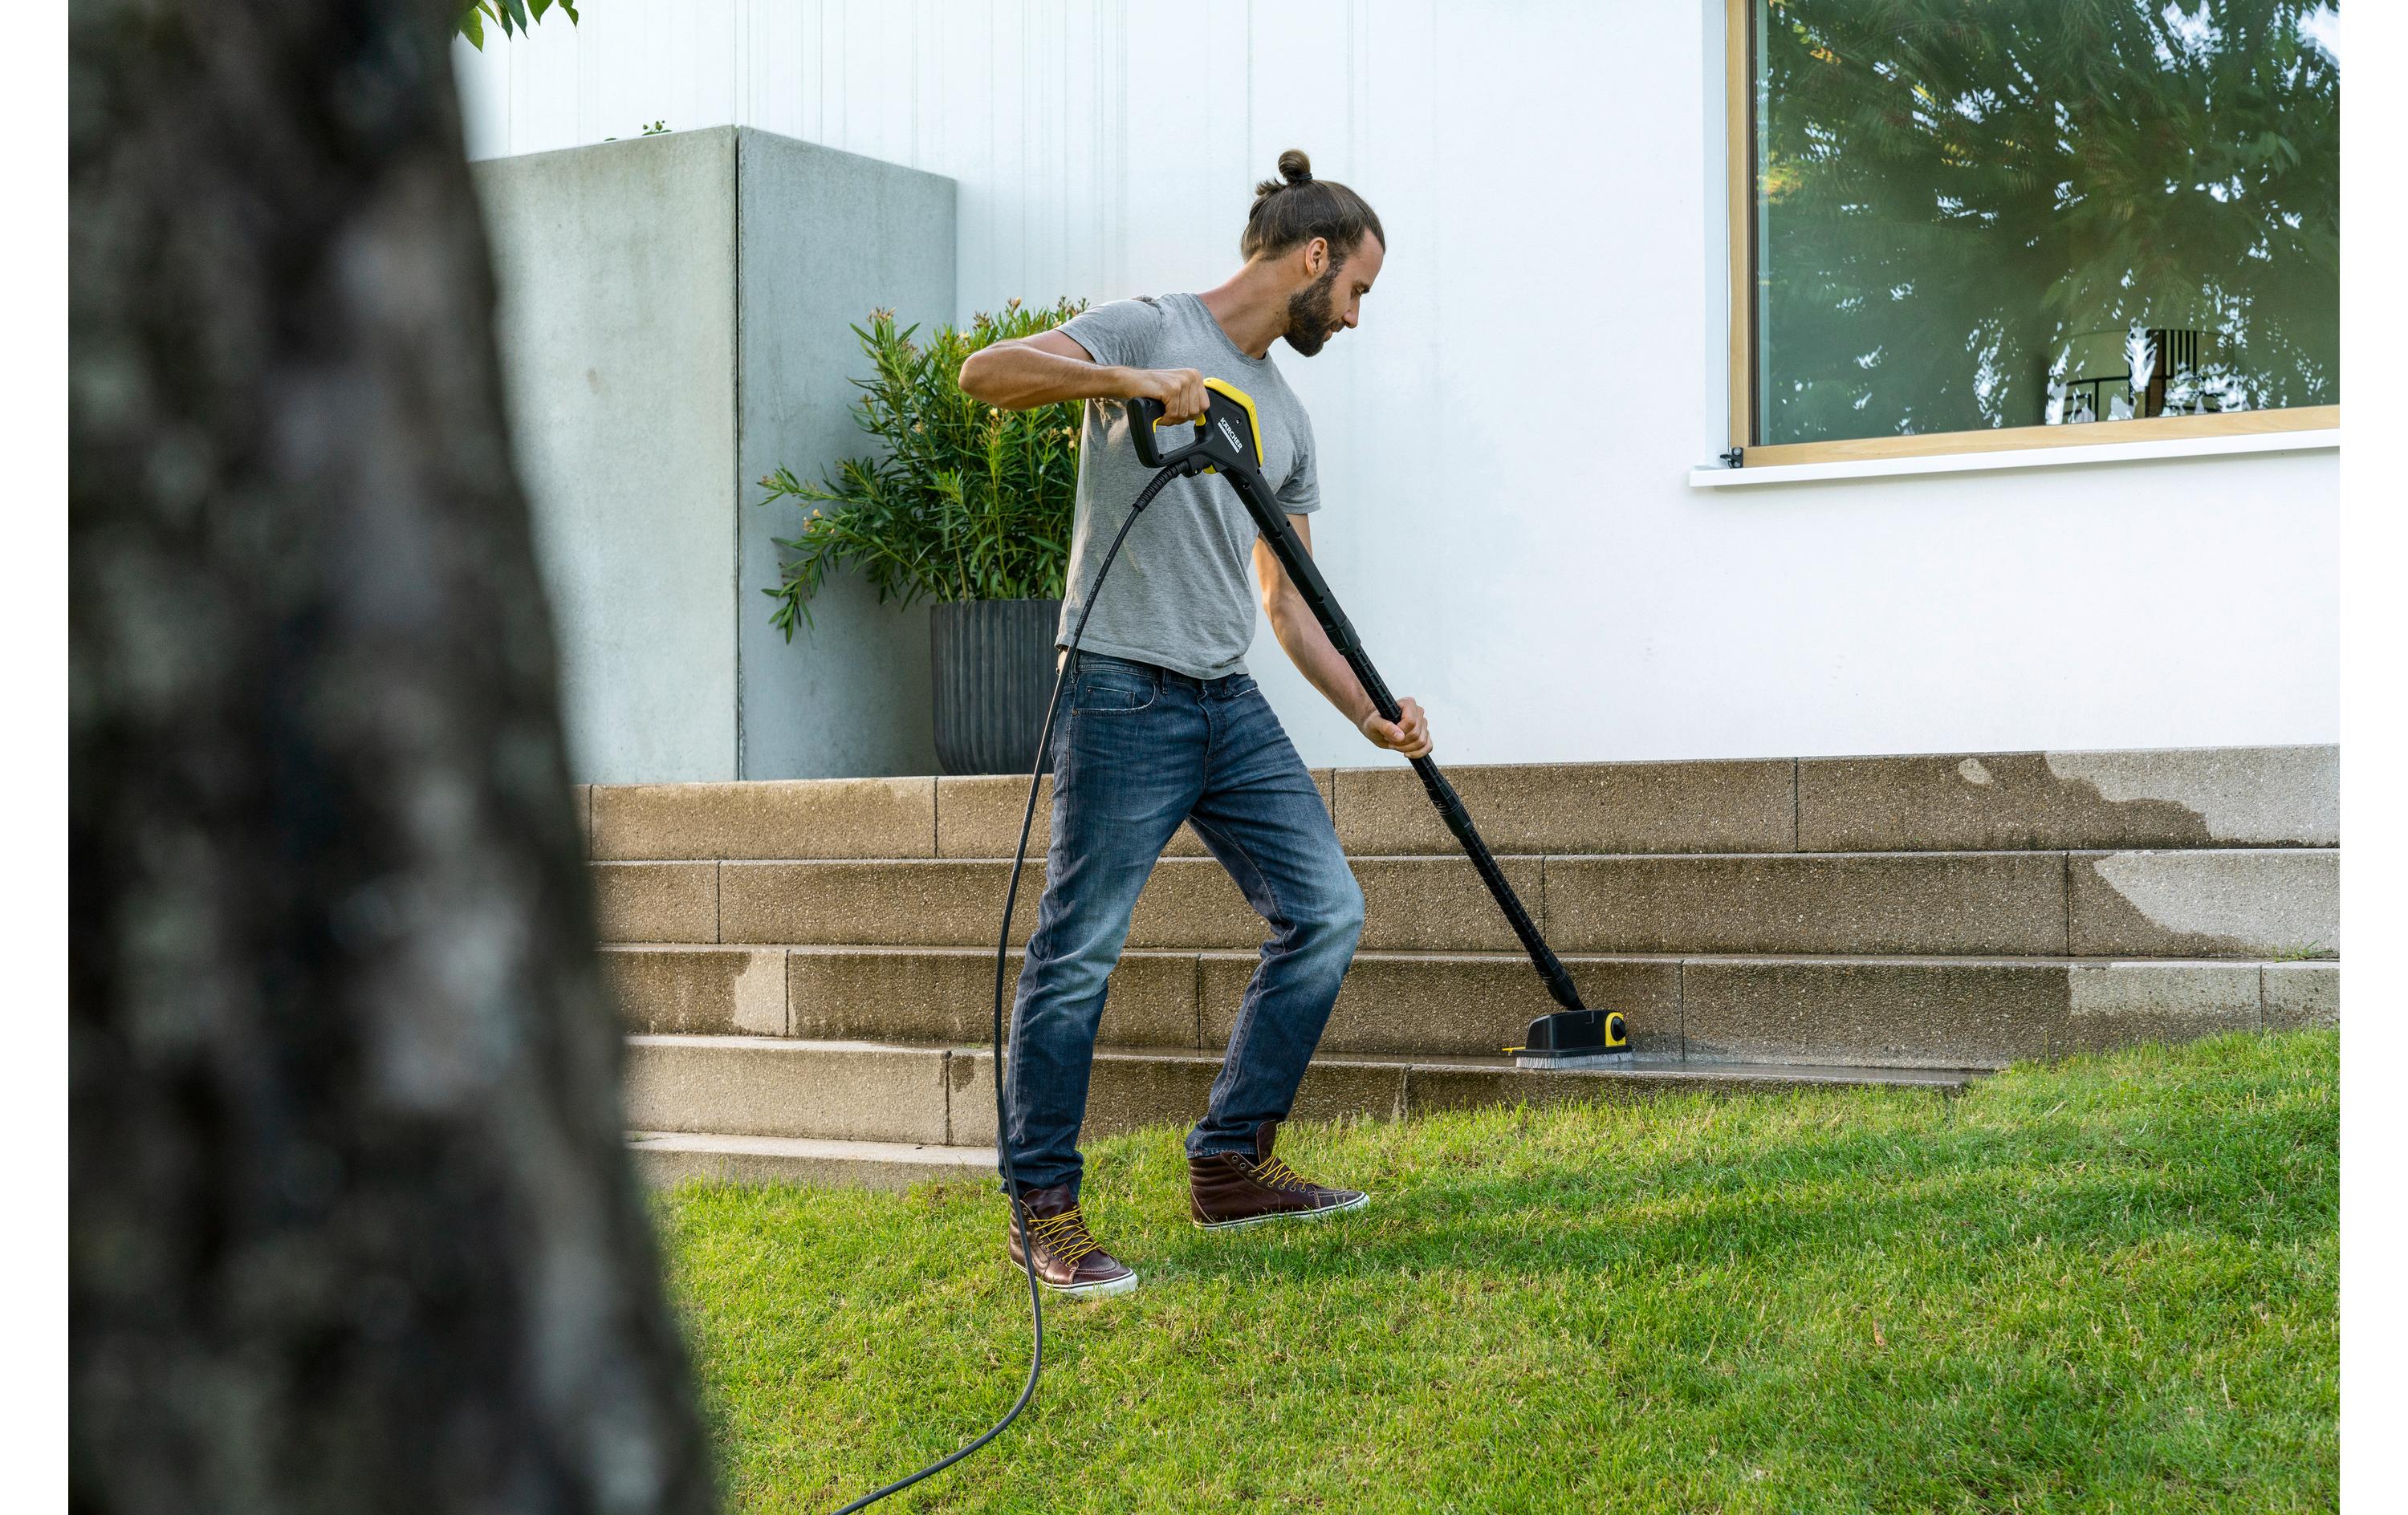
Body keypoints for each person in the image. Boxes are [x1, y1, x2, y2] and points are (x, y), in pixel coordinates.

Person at [957, 149, 1428, 1300]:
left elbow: (1288, 601)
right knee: (1080, 955)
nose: (1357, 317)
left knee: (1326, 910)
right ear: (1313, 258)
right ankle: (1044, 1213)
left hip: (1226, 698)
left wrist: (1372, 712)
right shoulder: (1146, 323)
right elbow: (986, 374)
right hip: (1120, 685)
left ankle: (1229, 1164)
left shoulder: (1289, 417)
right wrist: (1124, 382)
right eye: (1358, 290)